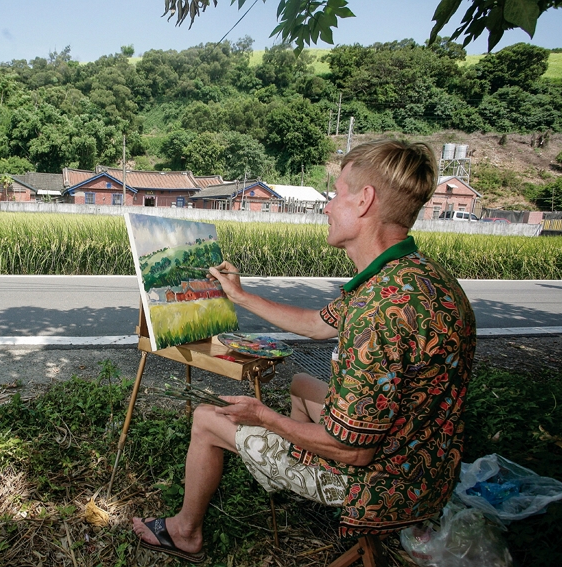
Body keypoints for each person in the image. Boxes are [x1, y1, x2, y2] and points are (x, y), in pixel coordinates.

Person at [132, 139, 477, 563]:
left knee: (206, 419)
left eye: (336, 194)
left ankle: (186, 532)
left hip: (382, 483)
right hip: (430, 464)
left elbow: (352, 450)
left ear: (365, 200)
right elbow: (316, 325)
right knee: (300, 383)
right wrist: (239, 296)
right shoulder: (417, 277)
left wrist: (264, 418)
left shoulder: (378, 312)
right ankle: (291, 471)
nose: (328, 207)